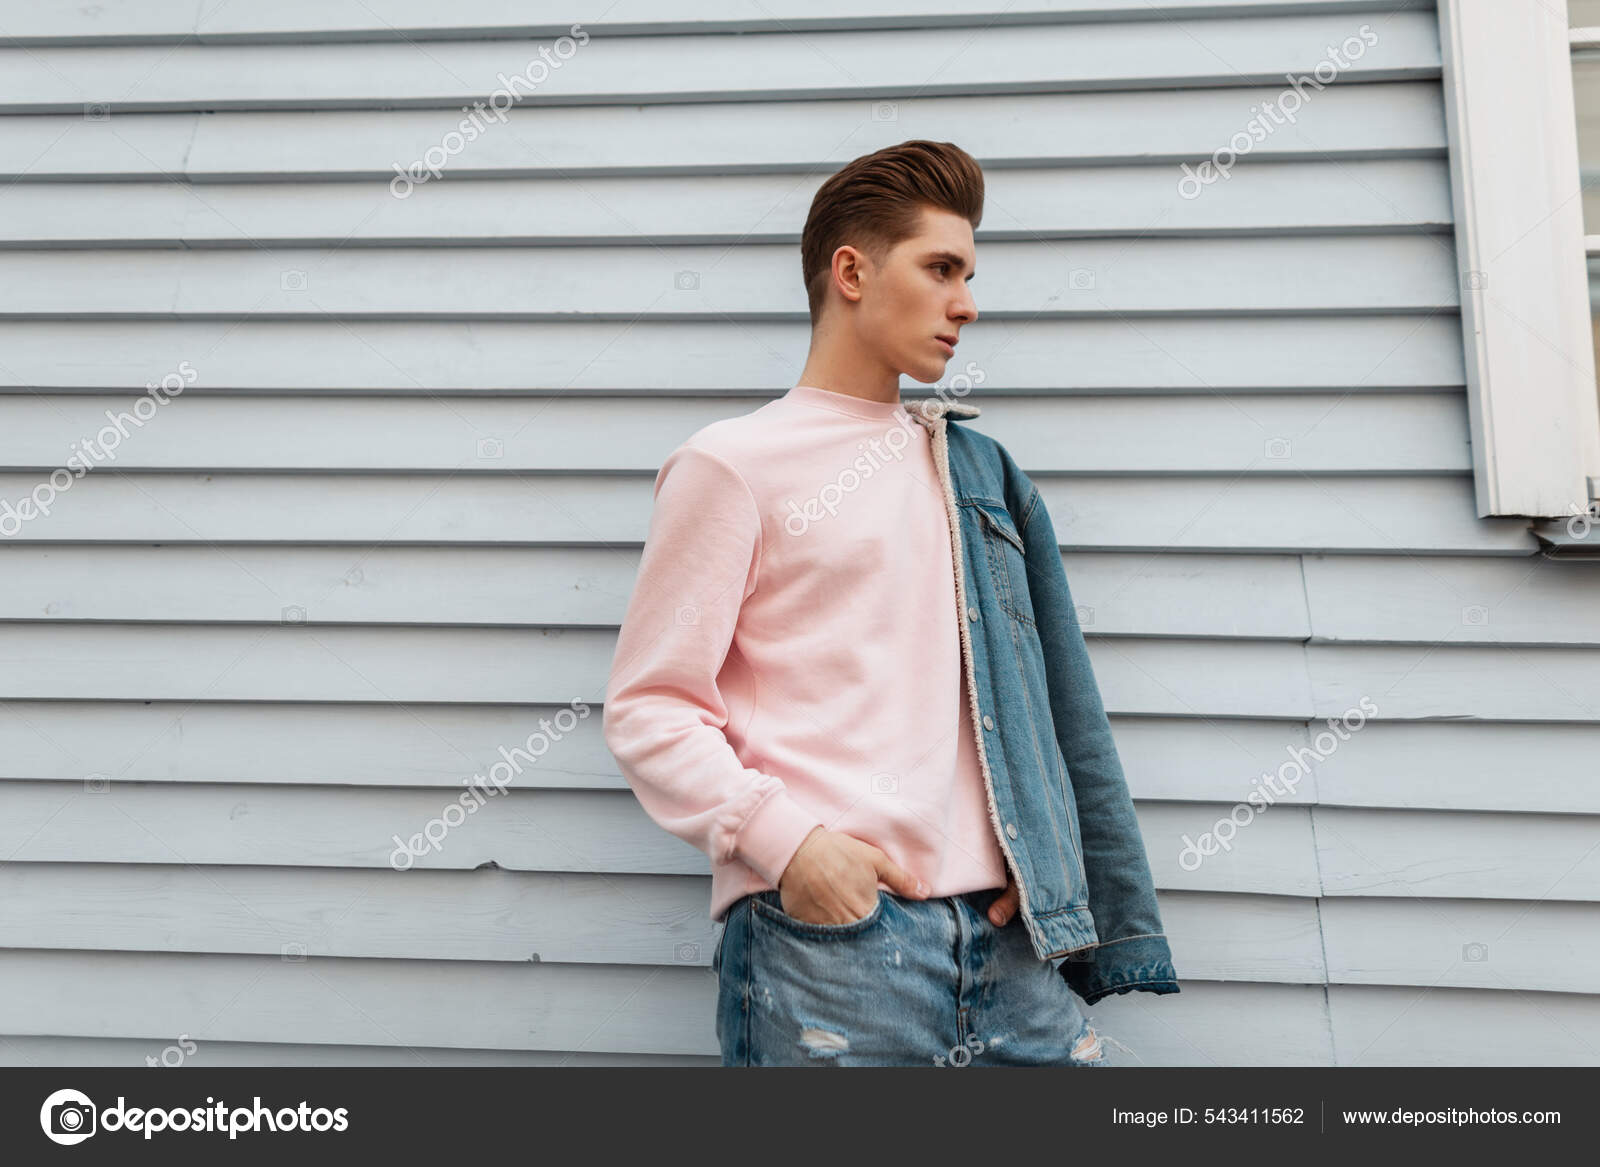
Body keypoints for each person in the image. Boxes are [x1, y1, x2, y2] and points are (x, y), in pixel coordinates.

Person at [604, 140, 1169, 1066]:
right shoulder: (733, 465)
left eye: (970, 274)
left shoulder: (980, 476)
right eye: (941, 268)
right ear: (853, 271)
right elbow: (650, 706)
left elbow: (1056, 710)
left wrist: (1047, 872)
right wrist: (793, 848)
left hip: (1017, 953)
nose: (967, 304)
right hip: (834, 949)